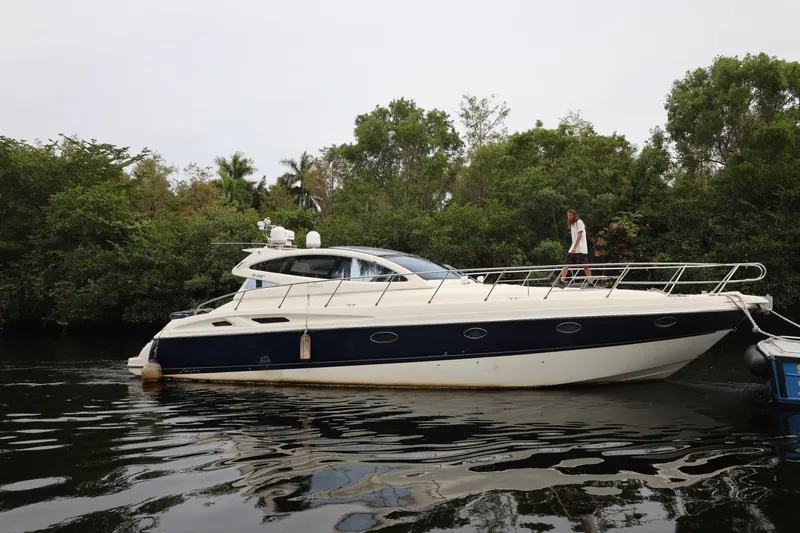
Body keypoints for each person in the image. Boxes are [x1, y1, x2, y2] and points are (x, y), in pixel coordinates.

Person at [559, 209, 593, 287]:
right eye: (568, 216)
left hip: (580, 248)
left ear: (574, 215)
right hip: (573, 248)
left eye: (570, 215)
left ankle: (591, 282)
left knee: (585, 266)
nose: (569, 217)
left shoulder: (579, 222)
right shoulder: (572, 224)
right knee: (566, 264)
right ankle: (562, 281)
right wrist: (573, 247)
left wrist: (575, 247)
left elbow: (580, 235)